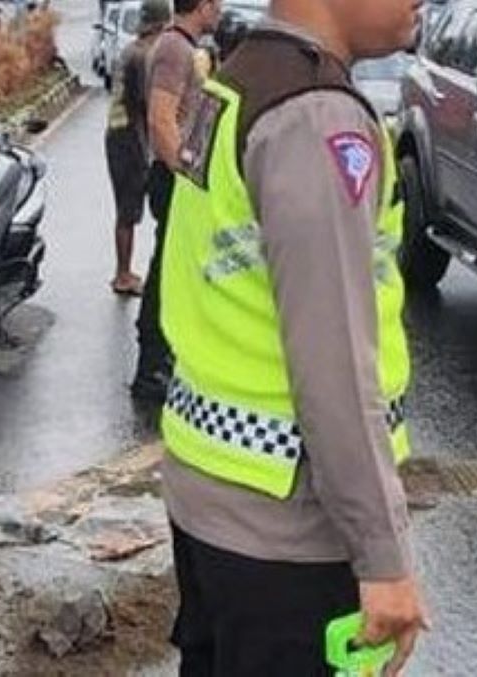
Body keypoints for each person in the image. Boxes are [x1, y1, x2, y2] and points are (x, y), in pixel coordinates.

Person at [158, 0, 432, 672]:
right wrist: (384, 556)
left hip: (210, 498)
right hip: (290, 533)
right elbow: (333, 364)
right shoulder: (317, 117)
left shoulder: (237, 78)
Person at [131, 0, 222, 402]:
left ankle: (162, 358)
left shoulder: (185, 48)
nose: (219, 12)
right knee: (167, 268)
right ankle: (151, 368)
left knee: (175, 265)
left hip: (177, 175)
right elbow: (160, 119)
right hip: (171, 177)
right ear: (202, 6)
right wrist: (185, 170)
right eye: (215, 4)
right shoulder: (174, 49)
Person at [103, 0, 171, 297]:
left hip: (121, 134)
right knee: (128, 209)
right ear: (161, 24)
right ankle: (123, 274)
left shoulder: (134, 50)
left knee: (127, 208)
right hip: (128, 137)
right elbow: (144, 105)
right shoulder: (142, 56)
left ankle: (125, 271)